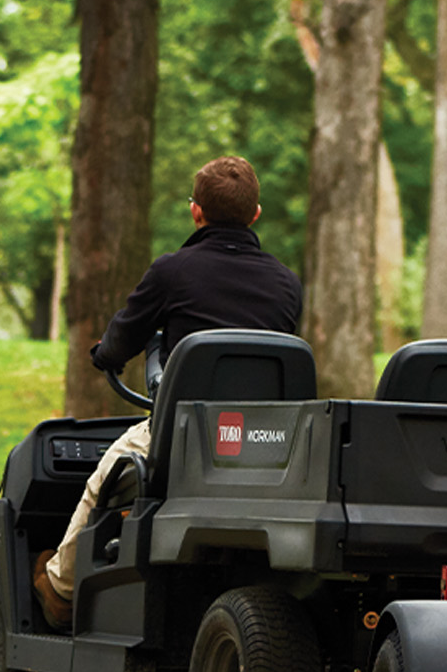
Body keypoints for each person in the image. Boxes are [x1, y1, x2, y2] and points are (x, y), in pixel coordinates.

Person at [33, 155, 303, 629]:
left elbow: (123, 339)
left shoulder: (173, 271)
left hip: (183, 438)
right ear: (255, 214)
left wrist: (106, 355)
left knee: (106, 476)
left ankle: (60, 588)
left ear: (195, 212)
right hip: (262, 446)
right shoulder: (286, 283)